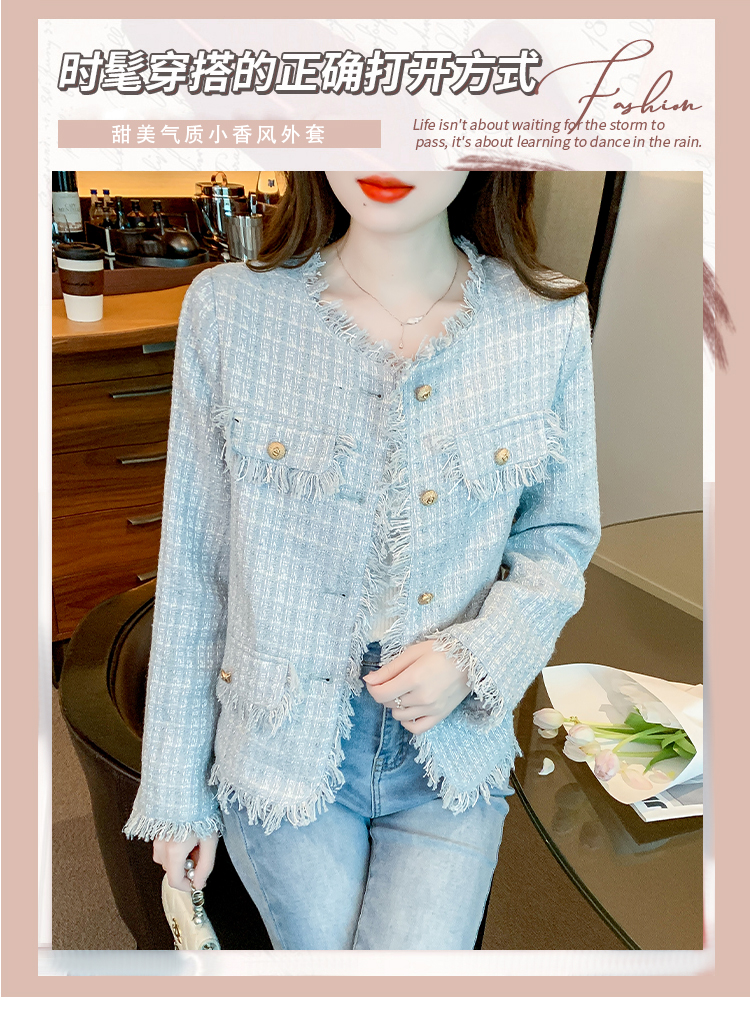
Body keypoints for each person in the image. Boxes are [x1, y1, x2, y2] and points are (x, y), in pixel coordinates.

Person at [124, 170, 600, 949]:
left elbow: (560, 537)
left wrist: (475, 656)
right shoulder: (231, 310)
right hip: (278, 741)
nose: (388, 148)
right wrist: (177, 790)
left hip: (452, 746)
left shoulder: (544, 317)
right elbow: (195, 566)